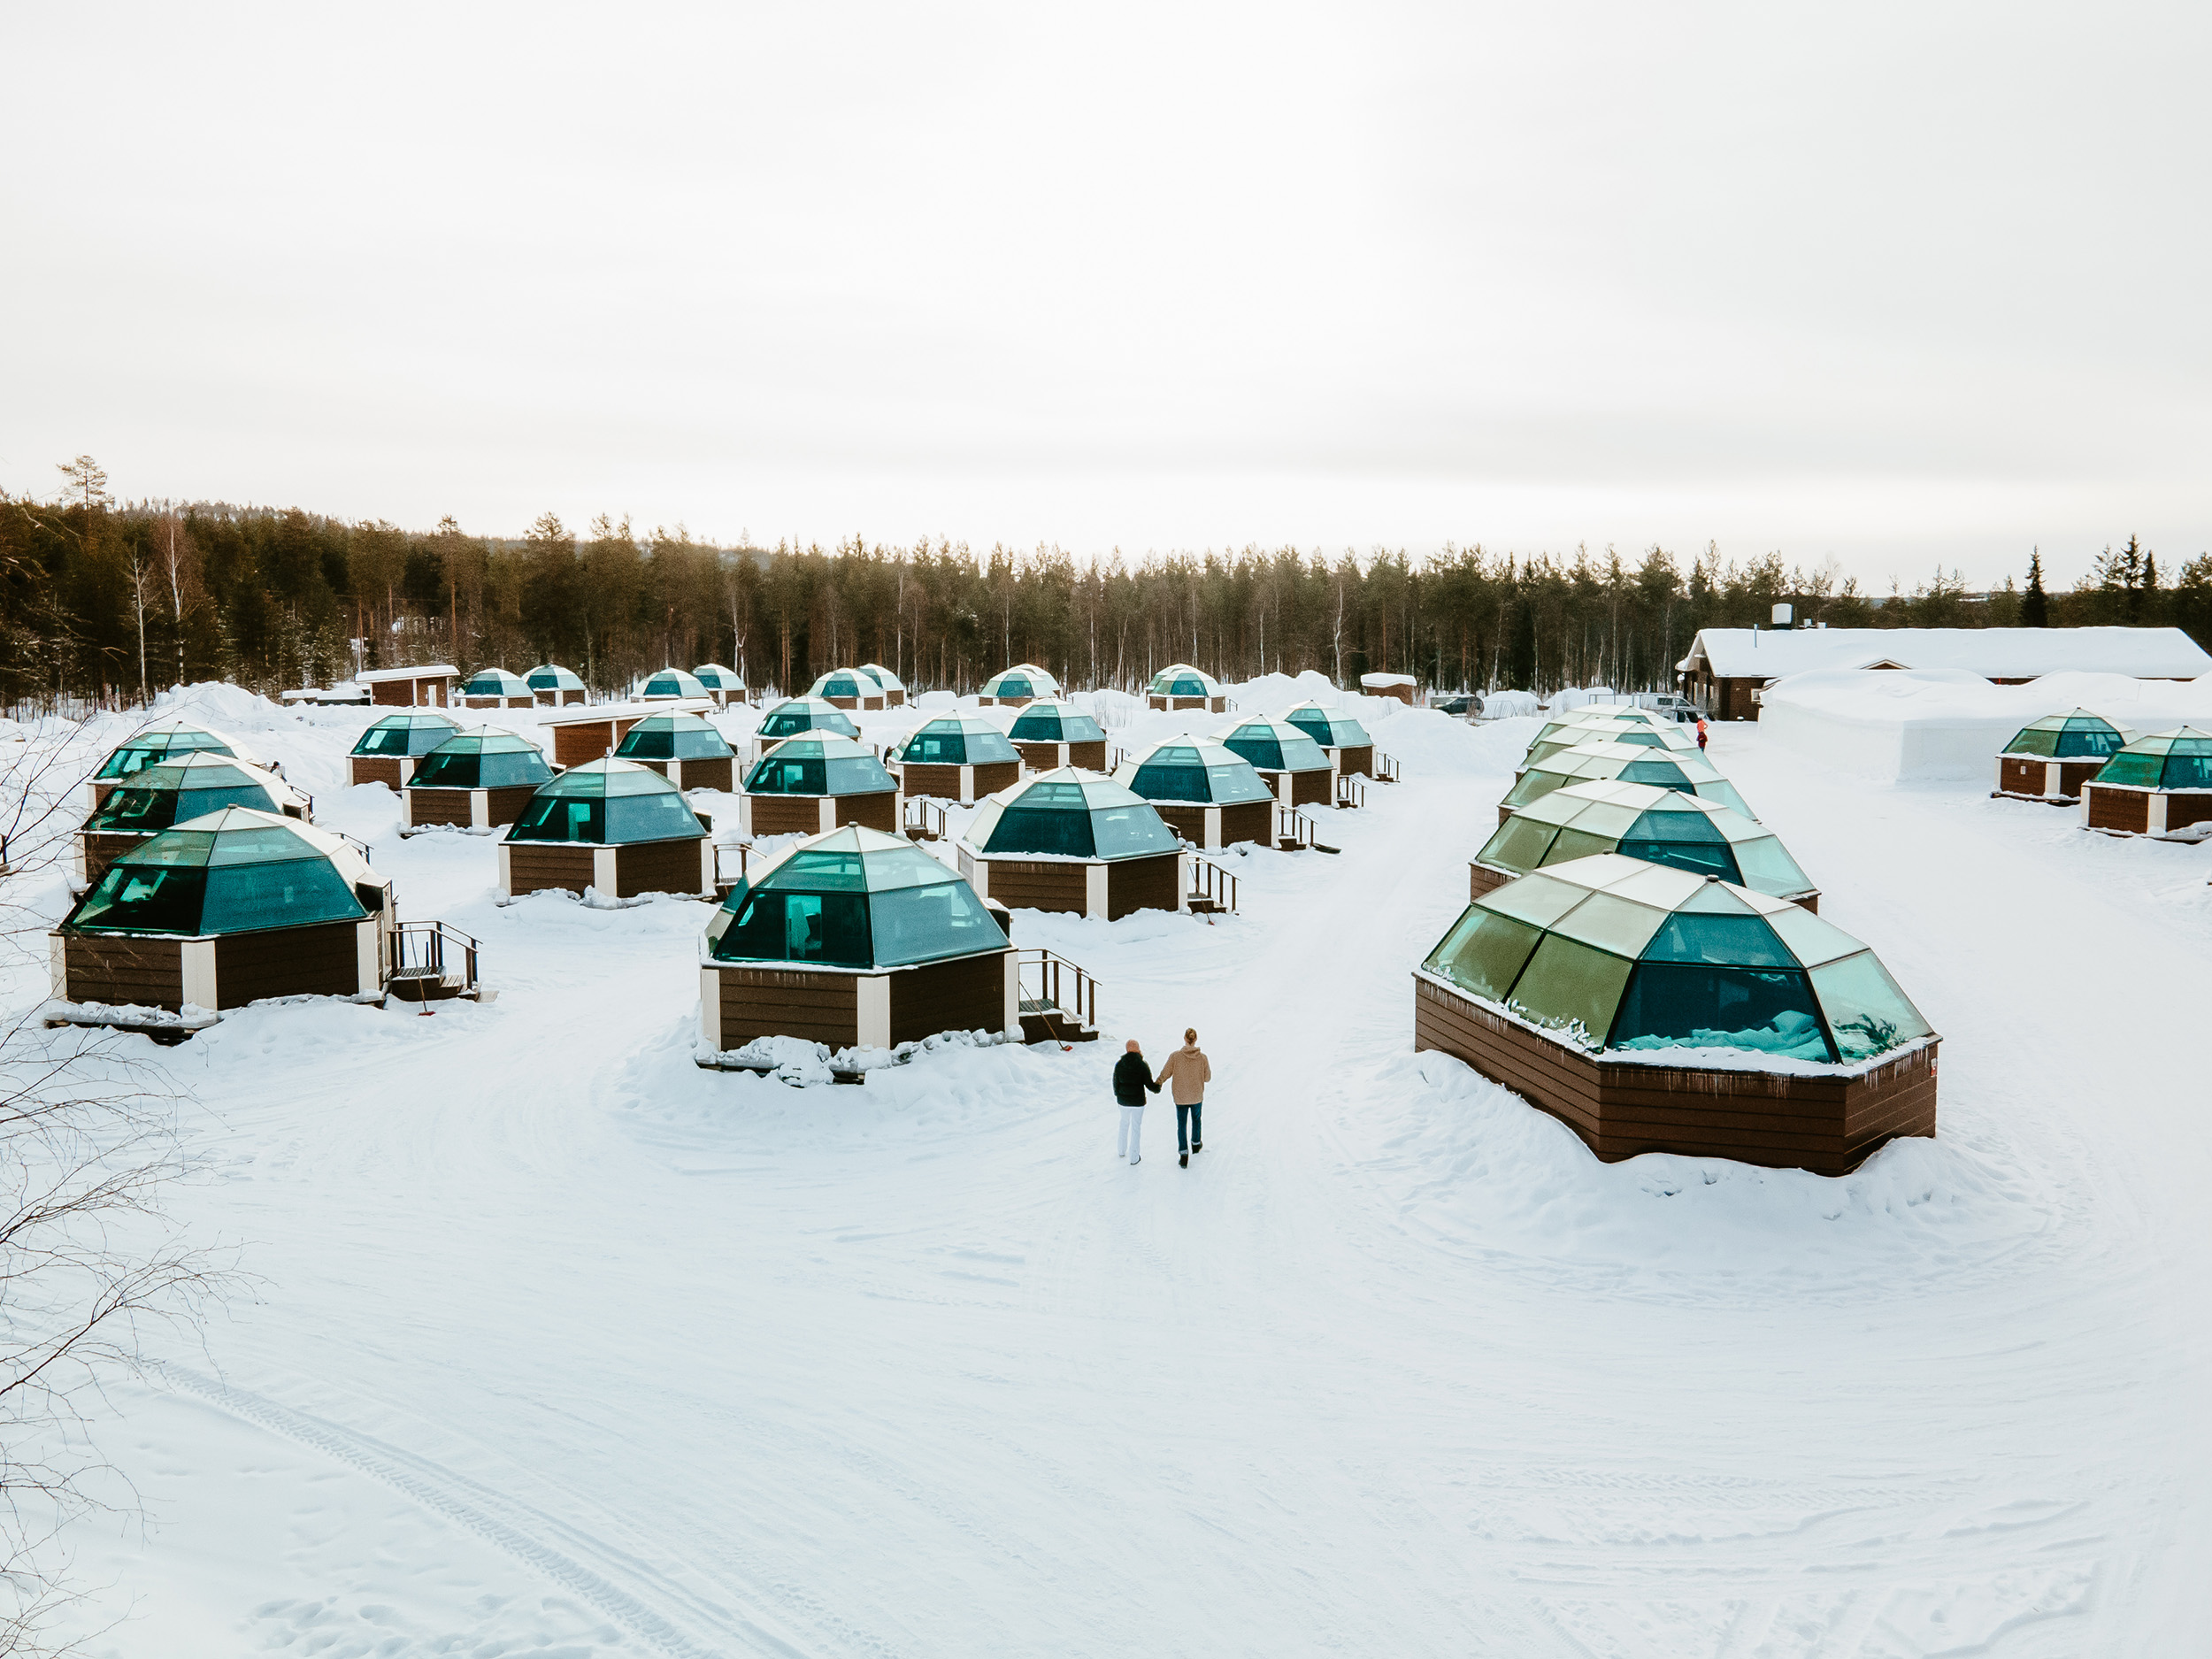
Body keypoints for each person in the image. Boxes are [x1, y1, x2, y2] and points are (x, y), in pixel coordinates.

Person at [1156, 1027, 1211, 1168]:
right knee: (1196, 1120)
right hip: (1196, 1096)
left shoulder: (1175, 1056)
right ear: (1195, 1039)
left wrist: (1158, 1083)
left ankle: (1184, 1154)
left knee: (1181, 1124)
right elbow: (1207, 1078)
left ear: (1185, 1039)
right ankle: (1196, 1144)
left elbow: (1166, 1073)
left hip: (1180, 1097)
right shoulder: (1203, 1058)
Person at [1111, 1039, 1159, 1164]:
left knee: (1124, 1123)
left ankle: (1121, 1150)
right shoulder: (1142, 1065)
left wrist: (1118, 1095)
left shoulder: (1119, 1064)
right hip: (1138, 1102)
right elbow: (1149, 1084)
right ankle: (1134, 1157)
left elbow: (1115, 1083)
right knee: (1136, 1128)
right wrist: (1157, 1088)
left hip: (1123, 1102)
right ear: (1138, 1049)